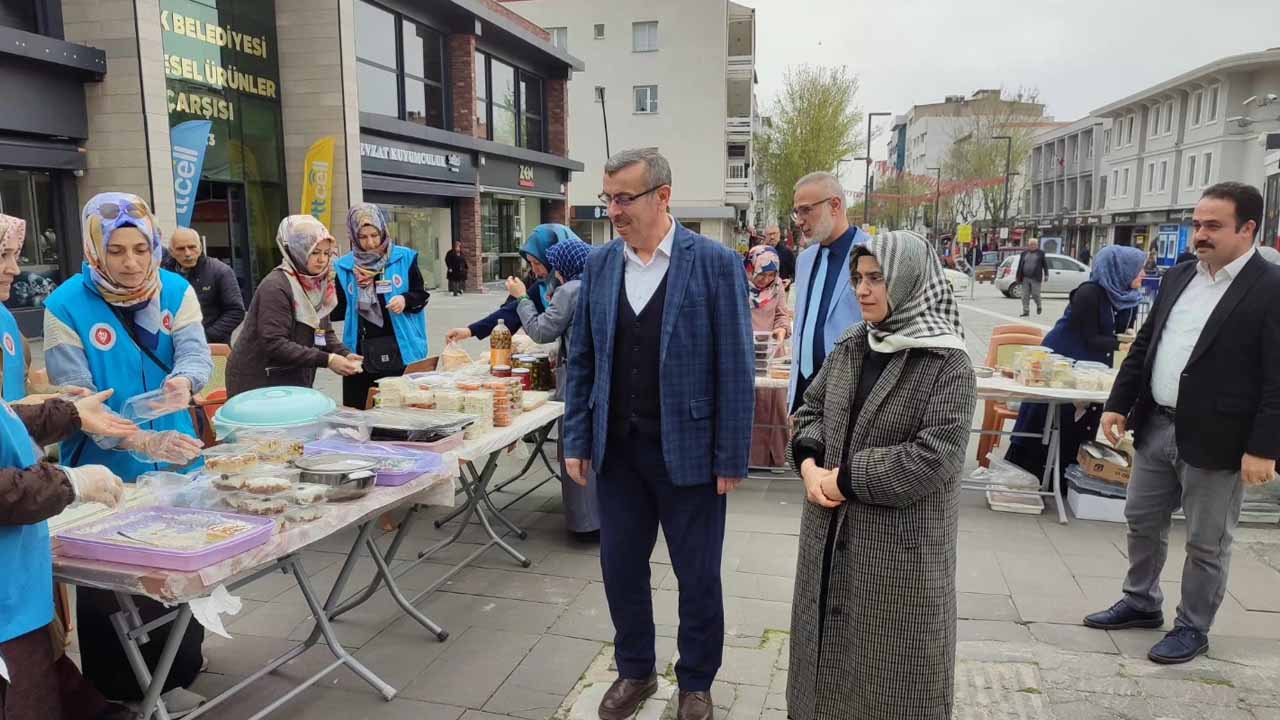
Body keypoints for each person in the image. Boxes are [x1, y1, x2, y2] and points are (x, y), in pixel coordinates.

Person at [563, 148, 753, 720]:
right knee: (620, 566)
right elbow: (584, 360)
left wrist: (731, 456)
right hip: (617, 452)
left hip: (690, 453)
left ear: (663, 196)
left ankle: (695, 682)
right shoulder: (599, 266)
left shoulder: (714, 263)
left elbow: (736, 366)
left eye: (625, 198)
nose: (614, 210)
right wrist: (575, 438)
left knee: (698, 574)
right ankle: (636, 670)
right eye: (609, 198)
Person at [1084, 182, 1280, 665]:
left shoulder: (1271, 288)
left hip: (1220, 438)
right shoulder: (1179, 277)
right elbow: (1146, 346)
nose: (1200, 235)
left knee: (1206, 541)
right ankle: (1140, 600)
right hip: (1156, 427)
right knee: (1140, 521)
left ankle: (1193, 626)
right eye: (1197, 224)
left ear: (1248, 228)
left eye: (1213, 226)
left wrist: (1264, 448)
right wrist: (1117, 404)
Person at [788, 230, 974, 720]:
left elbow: (935, 457)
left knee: (893, 674)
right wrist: (808, 465)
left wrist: (846, 479)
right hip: (828, 535)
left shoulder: (947, 363)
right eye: (858, 278)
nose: (863, 290)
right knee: (823, 663)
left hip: (899, 553)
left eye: (876, 278)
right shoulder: (853, 343)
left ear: (909, 280)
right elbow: (809, 411)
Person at [42, 192, 211, 712]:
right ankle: (117, 692)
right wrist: (137, 439)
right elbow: (77, 399)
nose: (132, 262)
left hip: (178, 459)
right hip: (104, 476)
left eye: (141, 248)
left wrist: (185, 382)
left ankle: (179, 672)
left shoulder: (177, 290)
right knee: (113, 589)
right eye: (116, 251)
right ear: (95, 247)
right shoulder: (64, 306)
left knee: (181, 573)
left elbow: (195, 354)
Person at [0, 391, 136, 720]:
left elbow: (9, 420)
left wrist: (68, 414)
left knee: (52, 677)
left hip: (19, 586)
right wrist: (68, 482)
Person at [1004, 245, 1147, 480]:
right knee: (1056, 418)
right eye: (1138, 269)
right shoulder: (1089, 293)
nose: (1143, 274)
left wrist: (1128, 318)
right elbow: (1092, 338)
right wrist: (1122, 344)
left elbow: (1119, 329)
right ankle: (1039, 476)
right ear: (1121, 269)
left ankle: (1067, 475)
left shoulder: (1120, 295)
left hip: (1090, 366)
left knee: (1082, 421)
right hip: (1065, 359)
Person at [504, 235, 600, 537]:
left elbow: (541, 331)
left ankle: (585, 522)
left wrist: (521, 298)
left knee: (575, 442)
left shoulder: (570, 290)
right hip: (602, 375)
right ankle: (604, 516)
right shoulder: (601, 282)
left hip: (577, 378)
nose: (551, 272)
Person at [226, 216, 362, 396]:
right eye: (314, 252)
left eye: (327, 253)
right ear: (298, 251)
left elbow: (323, 332)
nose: (322, 259)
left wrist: (344, 354)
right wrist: (327, 359)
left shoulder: (317, 284)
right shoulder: (276, 286)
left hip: (292, 377)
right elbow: (275, 343)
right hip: (260, 382)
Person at [787, 172, 871, 414]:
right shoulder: (804, 260)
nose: (800, 220)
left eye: (806, 210)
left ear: (834, 205)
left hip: (849, 399)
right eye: (797, 212)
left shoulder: (872, 254)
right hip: (802, 397)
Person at [335, 203, 429, 409]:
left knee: (402, 412)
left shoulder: (404, 257)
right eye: (363, 237)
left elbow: (421, 296)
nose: (370, 243)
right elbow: (338, 311)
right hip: (360, 351)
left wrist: (405, 300)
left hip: (401, 346)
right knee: (360, 414)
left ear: (383, 230)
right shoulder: (344, 266)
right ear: (353, 236)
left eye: (374, 235)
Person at [444, 224, 576, 345]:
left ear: (553, 259)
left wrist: (522, 298)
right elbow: (512, 312)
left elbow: (542, 333)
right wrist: (470, 330)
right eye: (530, 263)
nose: (534, 271)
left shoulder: (574, 288)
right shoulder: (544, 284)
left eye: (537, 263)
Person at [161, 227, 245, 344]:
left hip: (212, 348)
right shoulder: (163, 274)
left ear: (200, 247)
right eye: (181, 249)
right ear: (171, 252)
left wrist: (205, 337)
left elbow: (236, 311)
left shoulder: (220, 271)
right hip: (172, 346)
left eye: (192, 247)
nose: (187, 253)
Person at [746, 245, 790, 467]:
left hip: (773, 352)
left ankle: (775, 458)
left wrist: (781, 330)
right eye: (762, 274)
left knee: (776, 407)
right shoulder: (738, 286)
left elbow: (782, 315)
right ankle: (750, 458)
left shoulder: (777, 288)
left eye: (772, 274)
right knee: (750, 404)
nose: (766, 279)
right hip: (747, 352)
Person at [0, 215, 30, 401]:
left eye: (15, 254)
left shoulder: (7, 320)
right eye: (3, 255)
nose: (15, 269)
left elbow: (17, 397)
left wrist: (56, 395)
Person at [1017, 238, 1049, 317]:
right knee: (1024, 295)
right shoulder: (1024, 253)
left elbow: (1045, 265)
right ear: (1028, 245)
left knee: (1035, 294)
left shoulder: (1041, 253)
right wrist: (1018, 276)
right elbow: (1020, 265)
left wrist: (1046, 274)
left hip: (1036, 277)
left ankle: (1039, 305)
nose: (1032, 246)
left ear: (1037, 245)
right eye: (1031, 244)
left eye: (1034, 244)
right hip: (1025, 277)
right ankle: (1026, 311)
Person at [765, 224, 795, 295]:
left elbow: (795, 272)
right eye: (769, 234)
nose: (772, 237)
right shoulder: (760, 252)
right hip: (764, 293)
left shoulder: (788, 252)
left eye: (774, 234)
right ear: (765, 236)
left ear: (779, 235)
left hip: (782, 292)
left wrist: (790, 280)